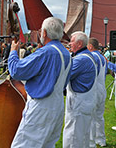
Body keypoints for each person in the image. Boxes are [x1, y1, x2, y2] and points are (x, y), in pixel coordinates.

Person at [9, 17, 71, 147]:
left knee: (24, 144)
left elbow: (16, 71)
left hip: (41, 105)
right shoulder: (66, 53)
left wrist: (13, 52)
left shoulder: (45, 52)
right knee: (48, 144)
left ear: (44, 33)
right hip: (57, 103)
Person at [63, 31, 97, 148]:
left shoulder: (81, 59)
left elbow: (64, 76)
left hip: (78, 102)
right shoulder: (87, 56)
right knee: (82, 136)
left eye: (72, 41)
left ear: (79, 44)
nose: (69, 44)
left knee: (72, 136)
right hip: (85, 101)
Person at [88, 37, 107, 147]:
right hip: (102, 87)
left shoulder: (93, 56)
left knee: (91, 116)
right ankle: (101, 139)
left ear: (90, 46)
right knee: (99, 116)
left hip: (95, 88)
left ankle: (91, 142)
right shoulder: (102, 57)